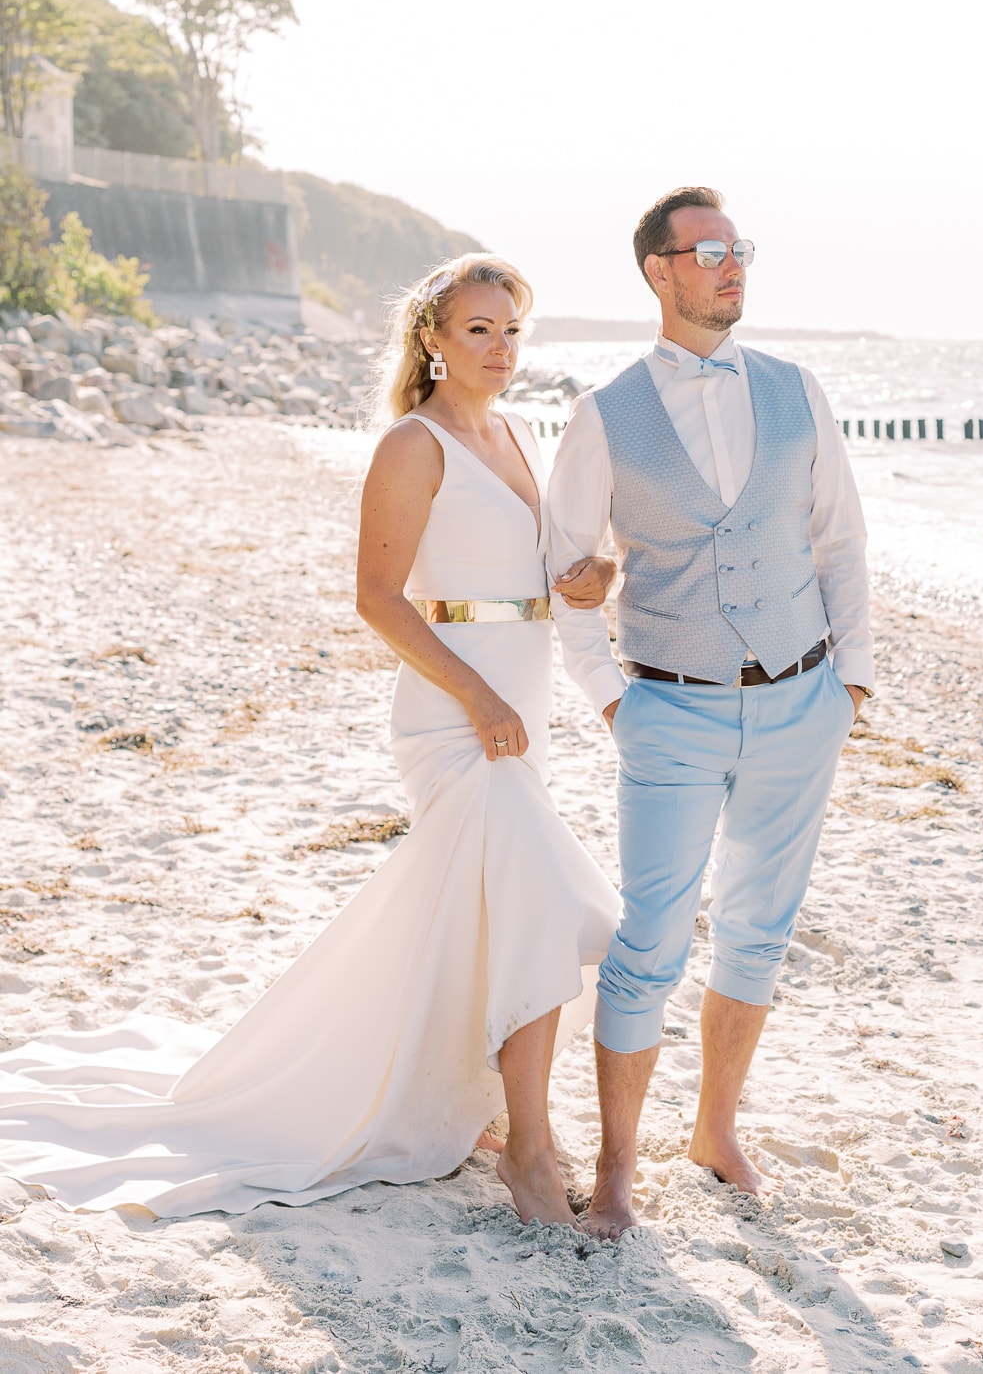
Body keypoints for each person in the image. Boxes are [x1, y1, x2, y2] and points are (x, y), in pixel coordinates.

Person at [0, 254, 620, 1226]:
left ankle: (487, 1111)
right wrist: (474, 697)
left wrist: (589, 579)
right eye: (478, 331)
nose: (500, 350)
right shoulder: (413, 446)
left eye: (511, 331)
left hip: (525, 695)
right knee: (541, 899)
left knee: (495, 912)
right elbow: (377, 600)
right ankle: (532, 1147)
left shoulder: (515, 433)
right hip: (454, 708)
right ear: (432, 341)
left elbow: (536, 569)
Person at [548, 186, 875, 1238]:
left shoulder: (795, 389)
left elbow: (841, 543)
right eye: (711, 251)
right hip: (670, 712)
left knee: (758, 932)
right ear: (661, 270)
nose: (734, 266)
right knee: (649, 939)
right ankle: (616, 1171)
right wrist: (610, 701)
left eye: (741, 249)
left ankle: (716, 1130)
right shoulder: (603, 415)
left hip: (799, 699)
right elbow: (564, 571)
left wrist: (850, 685)